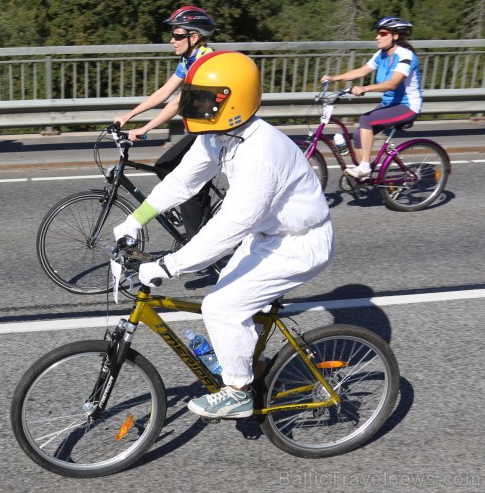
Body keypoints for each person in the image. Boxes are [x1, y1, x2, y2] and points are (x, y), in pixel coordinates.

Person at [113, 51, 334, 418]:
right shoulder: (219, 132)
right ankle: (257, 368)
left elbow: (231, 225)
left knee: (221, 307)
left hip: (300, 244)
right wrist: (136, 218)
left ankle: (239, 391)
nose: (192, 108)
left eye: (201, 101)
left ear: (233, 100)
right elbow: (184, 179)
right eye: (191, 99)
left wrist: (169, 266)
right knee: (226, 303)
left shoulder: (260, 154)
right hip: (269, 238)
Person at [114, 6, 217, 240]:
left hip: (213, 133)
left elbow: (175, 104)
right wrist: (127, 117)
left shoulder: (205, 62)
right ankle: (200, 210)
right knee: (165, 167)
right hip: (200, 130)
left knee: (178, 175)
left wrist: (144, 129)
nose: (172, 40)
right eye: (173, 35)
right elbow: (163, 93)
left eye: (178, 36)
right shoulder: (189, 59)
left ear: (194, 37)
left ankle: (198, 241)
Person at [321, 17, 422, 179]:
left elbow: (392, 84)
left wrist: (365, 88)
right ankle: (363, 175)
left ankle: (365, 167)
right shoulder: (381, 55)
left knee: (366, 120)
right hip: (389, 104)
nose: (377, 37)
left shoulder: (406, 56)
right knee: (358, 136)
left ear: (395, 36)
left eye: (382, 34)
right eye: (377, 34)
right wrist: (333, 78)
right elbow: (361, 71)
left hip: (408, 106)